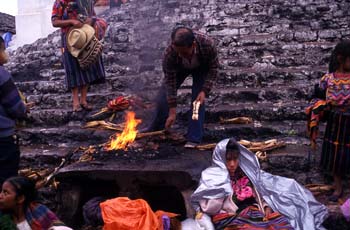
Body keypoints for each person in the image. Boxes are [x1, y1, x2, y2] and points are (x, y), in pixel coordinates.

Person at [191, 138, 329, 230]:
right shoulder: (211, 177)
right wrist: (219, 186)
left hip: (254, 212)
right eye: (228, 160)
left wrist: (266, 207)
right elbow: (209, 209)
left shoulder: (245, 174)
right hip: (230, 217)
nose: (232, 164)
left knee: (282, 225)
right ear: (221, 160)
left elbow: (260, 194)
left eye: (235, 159)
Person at [145, 26, 219, 148]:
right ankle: (155, 130)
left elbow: (214, 68)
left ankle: (194, 137)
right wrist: (172, 111)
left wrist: (204, 90)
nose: (180, 55)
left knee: (197, 103)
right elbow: (170, 83)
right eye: (178, 52)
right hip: (180, 69)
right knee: (162, 97)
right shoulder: (170, 54)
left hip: (202, 67)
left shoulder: (207, 44)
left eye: (184, 53)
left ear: (193, 44)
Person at [51, 0, 107, 112]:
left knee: (87, 63)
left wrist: (91, 21)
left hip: (86, 35)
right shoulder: (61, 2)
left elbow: (92, 16)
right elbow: (55, 22)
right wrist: (72, 21)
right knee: (73, 69)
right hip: (71, 39)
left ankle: (84, 100)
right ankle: (76, 102)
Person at [319, 40, 350, 202]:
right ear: (340, 58)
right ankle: (338, 188)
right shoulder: (328, 80)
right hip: (336, 123)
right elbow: (317, 98)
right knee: (336, 155)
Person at [0, 37, 28, 186]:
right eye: (3, 49)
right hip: (3, 139)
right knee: (5, 181)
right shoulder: (2, 75)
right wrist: (24, 109)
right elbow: (15, 108)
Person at [0, 176, 73, 229]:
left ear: (20, 199)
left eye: (5, 193)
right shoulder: (4, 220)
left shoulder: (39, 212)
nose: (0, 196)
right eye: (1, 191)